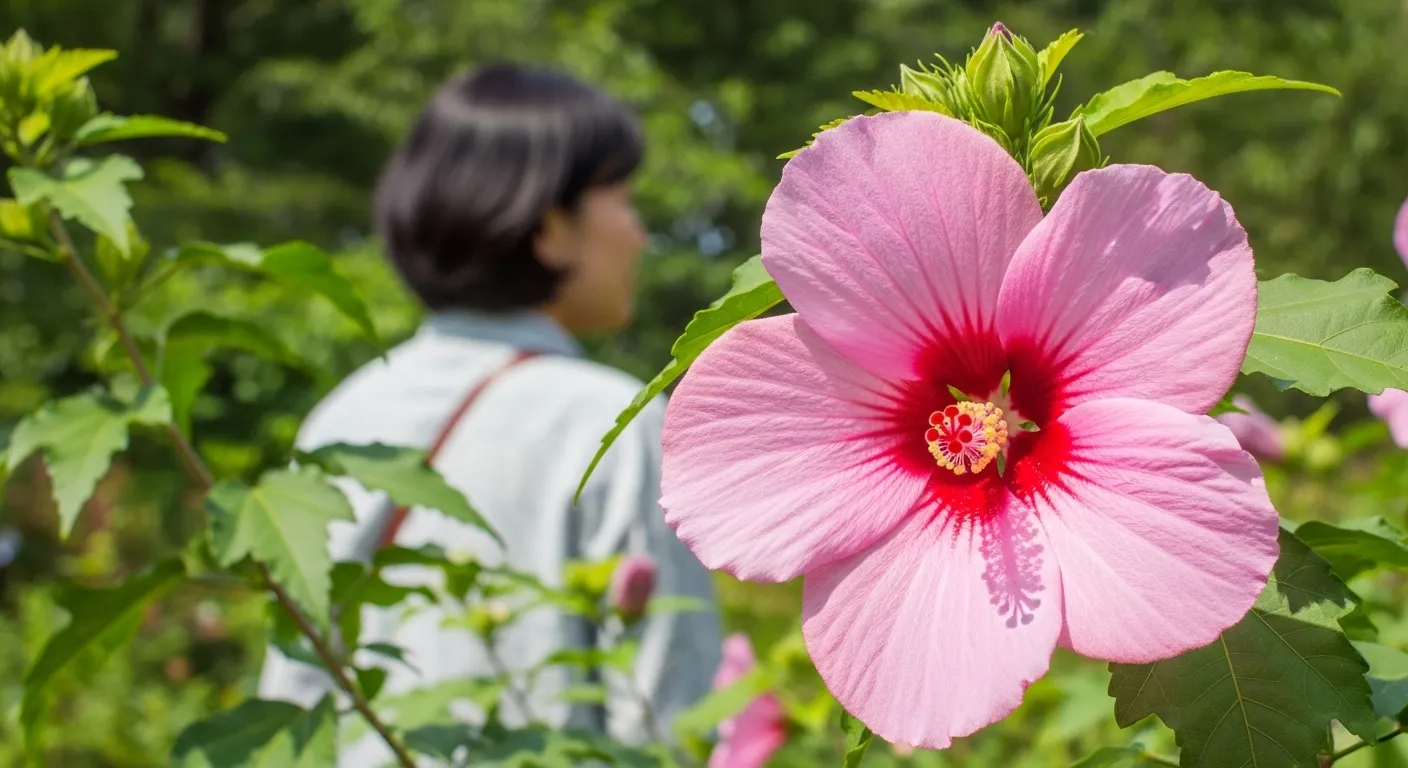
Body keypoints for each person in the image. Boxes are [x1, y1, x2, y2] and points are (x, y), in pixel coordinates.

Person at [256, 62, 722, 766]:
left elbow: (294, 697)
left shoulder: (339, 418)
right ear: (550, 226)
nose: (640, 235)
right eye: (623, 198)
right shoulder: (616, 425)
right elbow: (669, 719)